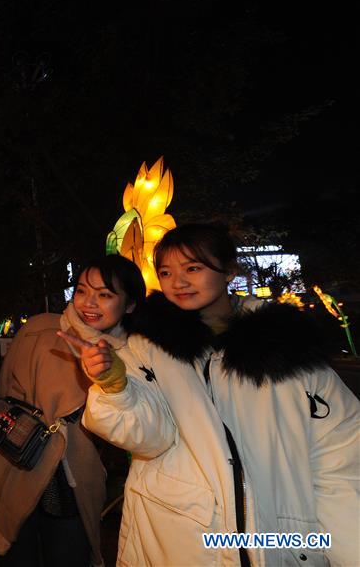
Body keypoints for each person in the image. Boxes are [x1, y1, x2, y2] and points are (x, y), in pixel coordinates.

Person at [64, 224, 359, 566]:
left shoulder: (290, 349)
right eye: (166, 272)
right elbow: (148, 438)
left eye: (193, 268)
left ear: (230, 270)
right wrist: (114, 385)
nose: (178, 281)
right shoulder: (147, 347)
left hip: (281, 538)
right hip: (179, 538)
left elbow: (341, 460)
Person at [0, 255, 146, 567]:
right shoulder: (41, 328)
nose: (89, 302)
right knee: (19, 552)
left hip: (71, 482)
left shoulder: (135, 356)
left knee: (68, 552)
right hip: (15, 464)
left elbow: (135, 426)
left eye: (105, 294)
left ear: (130, 305)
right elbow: (5, 391)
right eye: (83, 290)